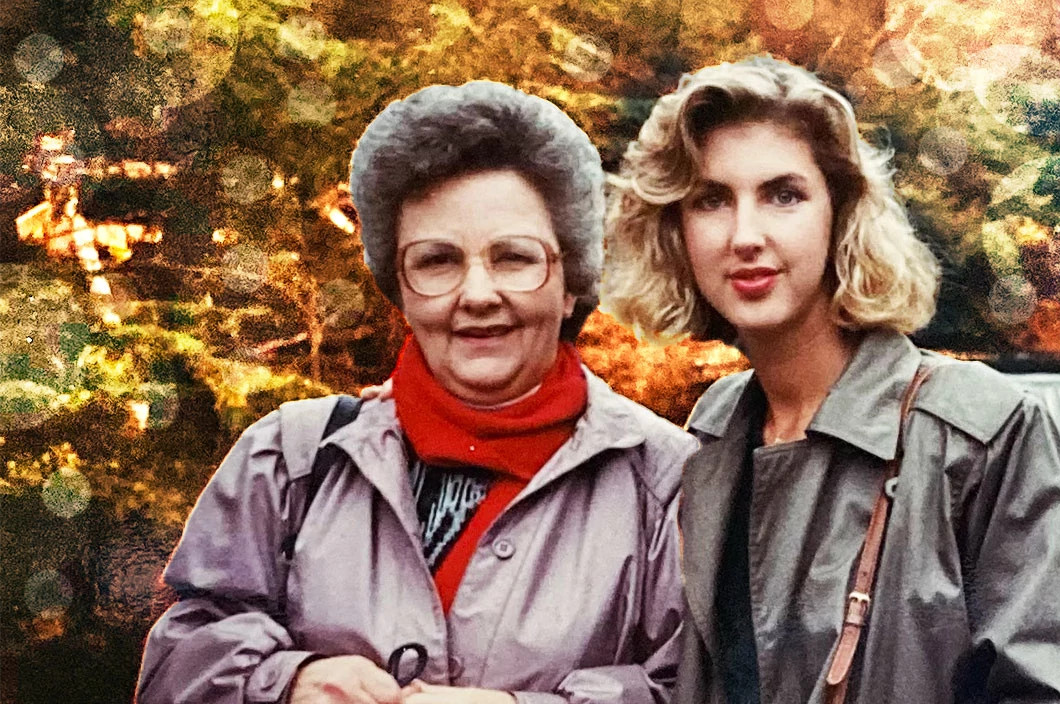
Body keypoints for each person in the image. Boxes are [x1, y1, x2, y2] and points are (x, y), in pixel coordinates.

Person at [137, 81, 694, 704]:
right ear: (397, 290)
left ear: (571, 285)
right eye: (437, 261)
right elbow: (176, 663)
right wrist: (285, 683)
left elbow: (703, 690)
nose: (477, 294)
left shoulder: (669, 484)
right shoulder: (292, 459)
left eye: (514, 258)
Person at [602, 57, 1060, 703]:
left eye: (784, 194)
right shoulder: (714, 432)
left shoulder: (976, 433)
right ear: (677, 230)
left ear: (839, 213)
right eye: (711, 199)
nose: (745, 234)